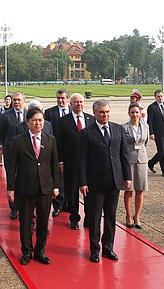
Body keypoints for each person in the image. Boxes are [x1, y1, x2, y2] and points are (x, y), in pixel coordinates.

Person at [78, 100, 131, 263]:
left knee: (110, 216)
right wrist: (83, 182)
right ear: (95, 113)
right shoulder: (87, 133)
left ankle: (108, 248)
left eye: (107, 112)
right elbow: (82, 160)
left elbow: (124, 155)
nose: (105, 115)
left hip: (114, 182)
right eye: (102, 112)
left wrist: (127, 177)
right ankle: (94, 249)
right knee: (94, 219)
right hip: (94, 183)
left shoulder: (118, 129)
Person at [6, 107, 59, 266]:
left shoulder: (50, 139)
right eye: (34, 120)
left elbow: (54, 165)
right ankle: (27, 251)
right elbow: (11, 166)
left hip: (45, 188)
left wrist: (56, 186)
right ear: (27, 122)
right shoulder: (18, 140)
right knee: (25, 222)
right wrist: (11, 188)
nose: (38, 123)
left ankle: (40, 250)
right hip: (25, 188)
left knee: (43, 222)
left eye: (40, 120)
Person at [56, 93, 94, 229]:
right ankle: (74, 218)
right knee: (72, 193)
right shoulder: (63, 121)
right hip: (70, 162)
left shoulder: (91, 119)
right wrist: (60, 161)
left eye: (81, 102)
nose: (79, 104)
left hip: (89, 163)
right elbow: (59, 142)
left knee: (89, 192)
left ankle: (89, 218)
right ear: (71, 104)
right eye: (76, 102)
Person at [0, 91, 28, 219]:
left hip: (26, 153)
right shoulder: (6, 116)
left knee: (26, 179)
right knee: (12, 179)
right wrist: (4, 147)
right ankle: (14, 207)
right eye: (14, 100)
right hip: (11, 153)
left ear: (23, 101)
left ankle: (27, 207)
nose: (16, 102)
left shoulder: (29, 114)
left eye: (19, 100)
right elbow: (1, 134)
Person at [43, 88, 71, 216]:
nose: (60, 100)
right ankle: (58, 205)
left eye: (63, 98)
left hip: (70, 152)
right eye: (58, 98)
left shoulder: (73, 111)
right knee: (58, 179)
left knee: (71, 180)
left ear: (68, 99)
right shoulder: (49, 113)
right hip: (55, 150)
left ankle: (69, 204)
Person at [122, 102, 149, 229]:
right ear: (129, 113)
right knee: (129, 190)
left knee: (140, 189)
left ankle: (137, 216)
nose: (135, 115)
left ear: (140, 113)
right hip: (129, 160)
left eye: (137, 112)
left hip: (142, 160)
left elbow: (146, 142)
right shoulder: (124, 128)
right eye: (132, 112)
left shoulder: (145, 126)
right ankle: (128, 215)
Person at [147, 89, 164, 178]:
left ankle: (151, 162)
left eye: (161, 96)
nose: (160, 98)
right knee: (161, 150)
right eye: (158, 96)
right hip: (157, 132)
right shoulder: (152, 107)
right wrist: (151, 133)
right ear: (155, 97)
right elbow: (149, 121)